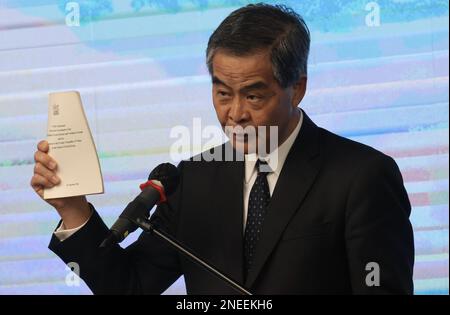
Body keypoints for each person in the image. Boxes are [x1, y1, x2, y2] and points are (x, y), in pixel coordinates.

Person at [30, 4, 414, 294]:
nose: (235, 114)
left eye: (252, 95)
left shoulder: (362, 176)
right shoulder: (193, 179)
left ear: (296, 88)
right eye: (222, 93)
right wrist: (72, 209)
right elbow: (127, 287)